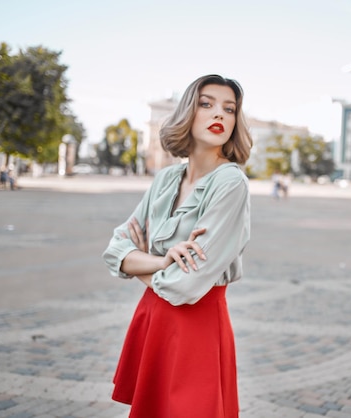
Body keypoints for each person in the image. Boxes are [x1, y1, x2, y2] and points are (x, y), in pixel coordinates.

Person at [102, 74, 253, 418]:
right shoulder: (167, 178)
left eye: (229, 109)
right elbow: (115, 249)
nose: (220, 115)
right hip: (153, 319)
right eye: (207, 104)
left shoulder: (231, 183)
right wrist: (162, 261)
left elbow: (185, 285)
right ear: (188, 112)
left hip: (197, 327)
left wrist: (141, 262)